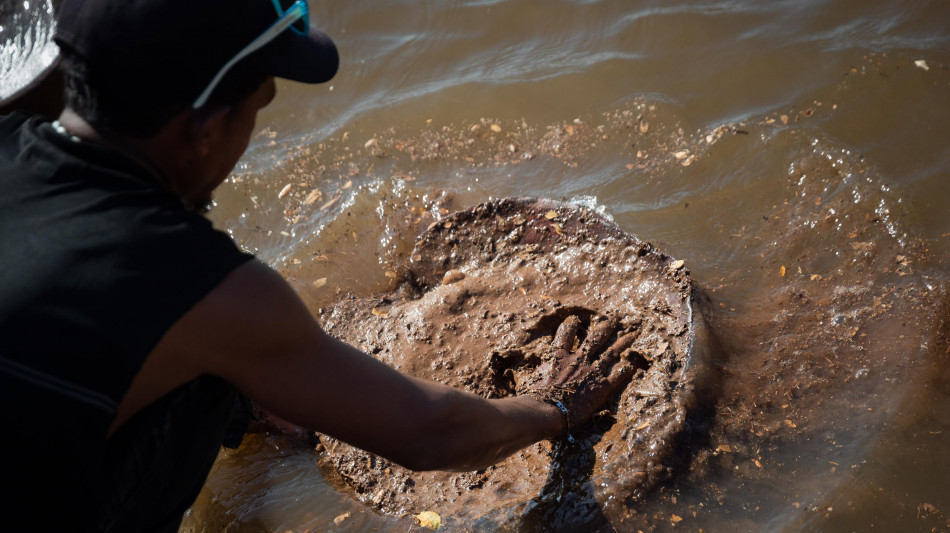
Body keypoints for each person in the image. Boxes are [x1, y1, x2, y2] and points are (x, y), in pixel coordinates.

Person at [0, 0, 637, 531]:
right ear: (205, 128)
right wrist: (556, 404)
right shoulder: (199, 285)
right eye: (257, 106)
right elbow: (429, 433)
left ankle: (255, 406)